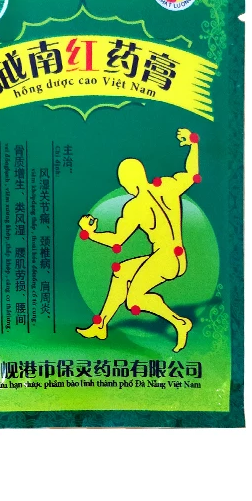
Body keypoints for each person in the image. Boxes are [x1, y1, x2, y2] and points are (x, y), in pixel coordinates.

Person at [76, 128, 201, 352]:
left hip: (165, 260)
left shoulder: (134, 207)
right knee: (122, 272)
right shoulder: (167, 186)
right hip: (176, 256)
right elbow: (192, 173)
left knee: (134, 300)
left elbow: (116, 241)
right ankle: (101, 325)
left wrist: (90, 233)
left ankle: (179, 323)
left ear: (127, 182)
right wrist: (193, 144)